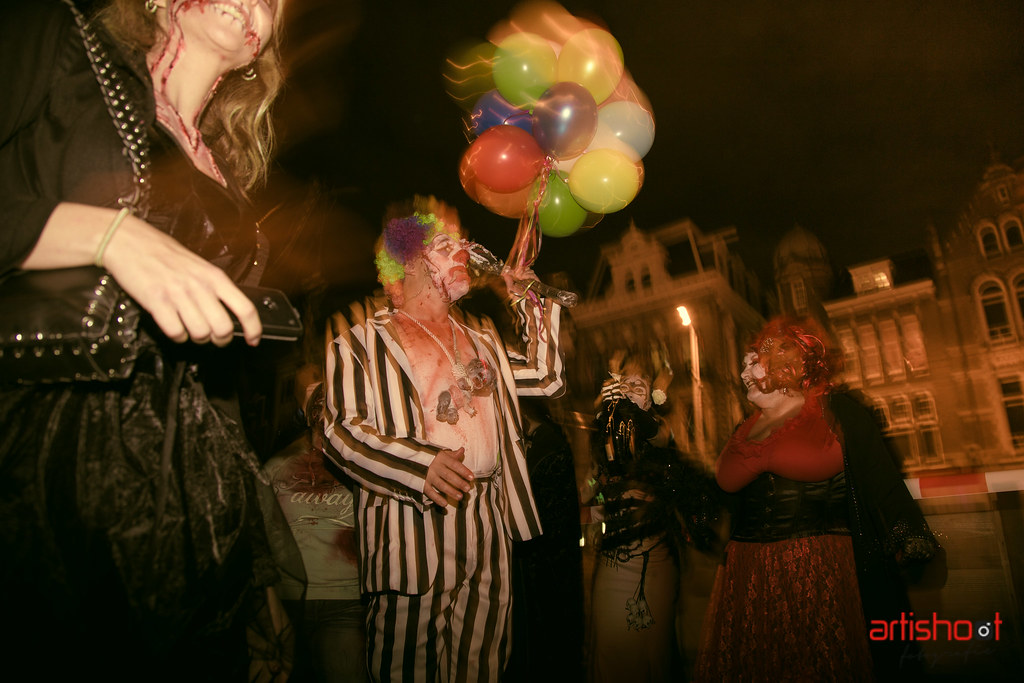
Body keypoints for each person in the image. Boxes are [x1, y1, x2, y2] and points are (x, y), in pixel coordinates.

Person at [0, 1, 291, 679]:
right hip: (44, 483)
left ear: (260, 51)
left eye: (274, 1)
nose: (256, 1)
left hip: (187, 518)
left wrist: (254, 569)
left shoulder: (229, 171)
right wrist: (105, 235)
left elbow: (208, 389)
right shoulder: (59, 39)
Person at [319, 195, 566, 682]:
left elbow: (548, 376)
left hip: (489, 521)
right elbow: (341, 432)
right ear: (410, 259)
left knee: (482, 667)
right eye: (448, 243)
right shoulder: (358, 344)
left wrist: (530, 302)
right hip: (413, 527)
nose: (465, 251)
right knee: (404, 670)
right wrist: (420, 466)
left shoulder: (484, 338)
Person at [694, 316, 938, 681]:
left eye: (760, 358)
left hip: (816, 569)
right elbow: (721, 496)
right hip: (748, 575)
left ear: (794, 360)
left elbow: (880, 479)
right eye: (750, 358)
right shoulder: (742, 428)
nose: (749, 367)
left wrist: (908, 532)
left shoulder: (837, 411)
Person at [588, 352, 718, 683]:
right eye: (624, 381)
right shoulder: (609, 430)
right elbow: (595, 482)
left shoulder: (660, 430)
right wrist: (591, 508)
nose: (630, 388)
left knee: (652, 649)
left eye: (639, 382)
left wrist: (630, 405)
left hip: (654, 556)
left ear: (653, 392)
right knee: (610, 645)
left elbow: (655, 435)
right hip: (613, 555)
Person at [265, 427, 368, 683]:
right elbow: (260, 533)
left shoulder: (363, 462)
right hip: (289, 599)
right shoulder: (278, 464)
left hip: (345, 600)